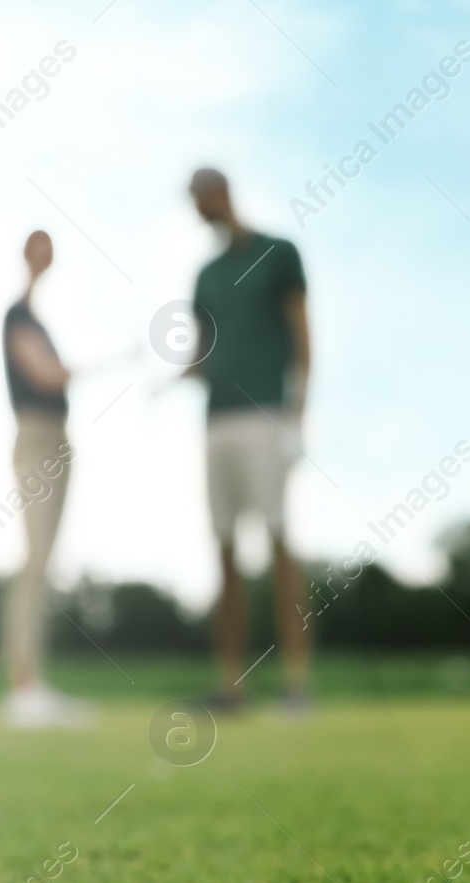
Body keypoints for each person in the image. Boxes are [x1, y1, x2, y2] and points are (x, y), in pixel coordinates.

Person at [185, 168, 313, 711]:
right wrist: (183, 371)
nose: (200, 208)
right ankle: (232, 686)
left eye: (204, 197)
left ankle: (297, 683)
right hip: (217, 421)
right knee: (224, 549)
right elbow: (205, 351)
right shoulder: (205, 275)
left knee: (280, 544)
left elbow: (303, 335)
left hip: (268, 416)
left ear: (224, 193)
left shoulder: (280, 253)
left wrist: (299, 412)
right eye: (194, 202)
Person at [0, 230, 90, 728]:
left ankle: (31, 683)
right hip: (36, 436)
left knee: (45, 563)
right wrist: (68, 370)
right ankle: (24, 687)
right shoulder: (17, 315)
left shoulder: (35, 318)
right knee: (34, 561)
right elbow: (44, 374)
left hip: (58, 437)